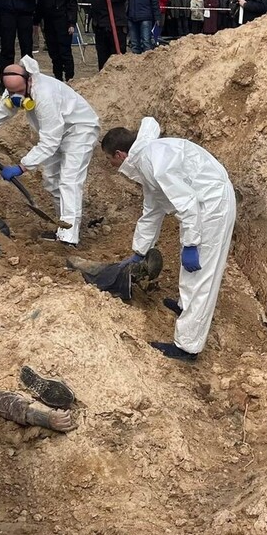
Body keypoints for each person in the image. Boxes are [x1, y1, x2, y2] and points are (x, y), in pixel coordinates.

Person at [102, 117, 236, 362]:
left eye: (110, 160)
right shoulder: (147, 160)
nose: (110, 165)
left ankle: (187, 346)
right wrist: (139, 251)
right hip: (203, 203)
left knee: (202, 274)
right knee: (192, 269)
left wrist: (192, 244)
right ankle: (186, 308)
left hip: (212, 205)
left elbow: (187, 203)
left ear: (120, 154)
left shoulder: (156, 161)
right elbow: (152, 209)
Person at [0, 56, 100, 247]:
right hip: (57, 132)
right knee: (52, 181)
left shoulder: (45, 95)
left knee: (69, 180)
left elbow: (50, 142)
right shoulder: (15, 88)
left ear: (29, 80)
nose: (16, 97)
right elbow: (4, 108)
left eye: (19, 92)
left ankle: (69, 238)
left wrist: (21, 167)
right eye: (11, 92)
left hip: (79, 130)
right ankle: (65, 226)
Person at [36, 0, 78, 82]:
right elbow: (40, 1)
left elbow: (71, 1)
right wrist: (36, 20)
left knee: (64, 51)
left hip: (62, 19)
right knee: (53, 52)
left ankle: (70, 78)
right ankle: (58, 78)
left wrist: (72, 22)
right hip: (48, 20)